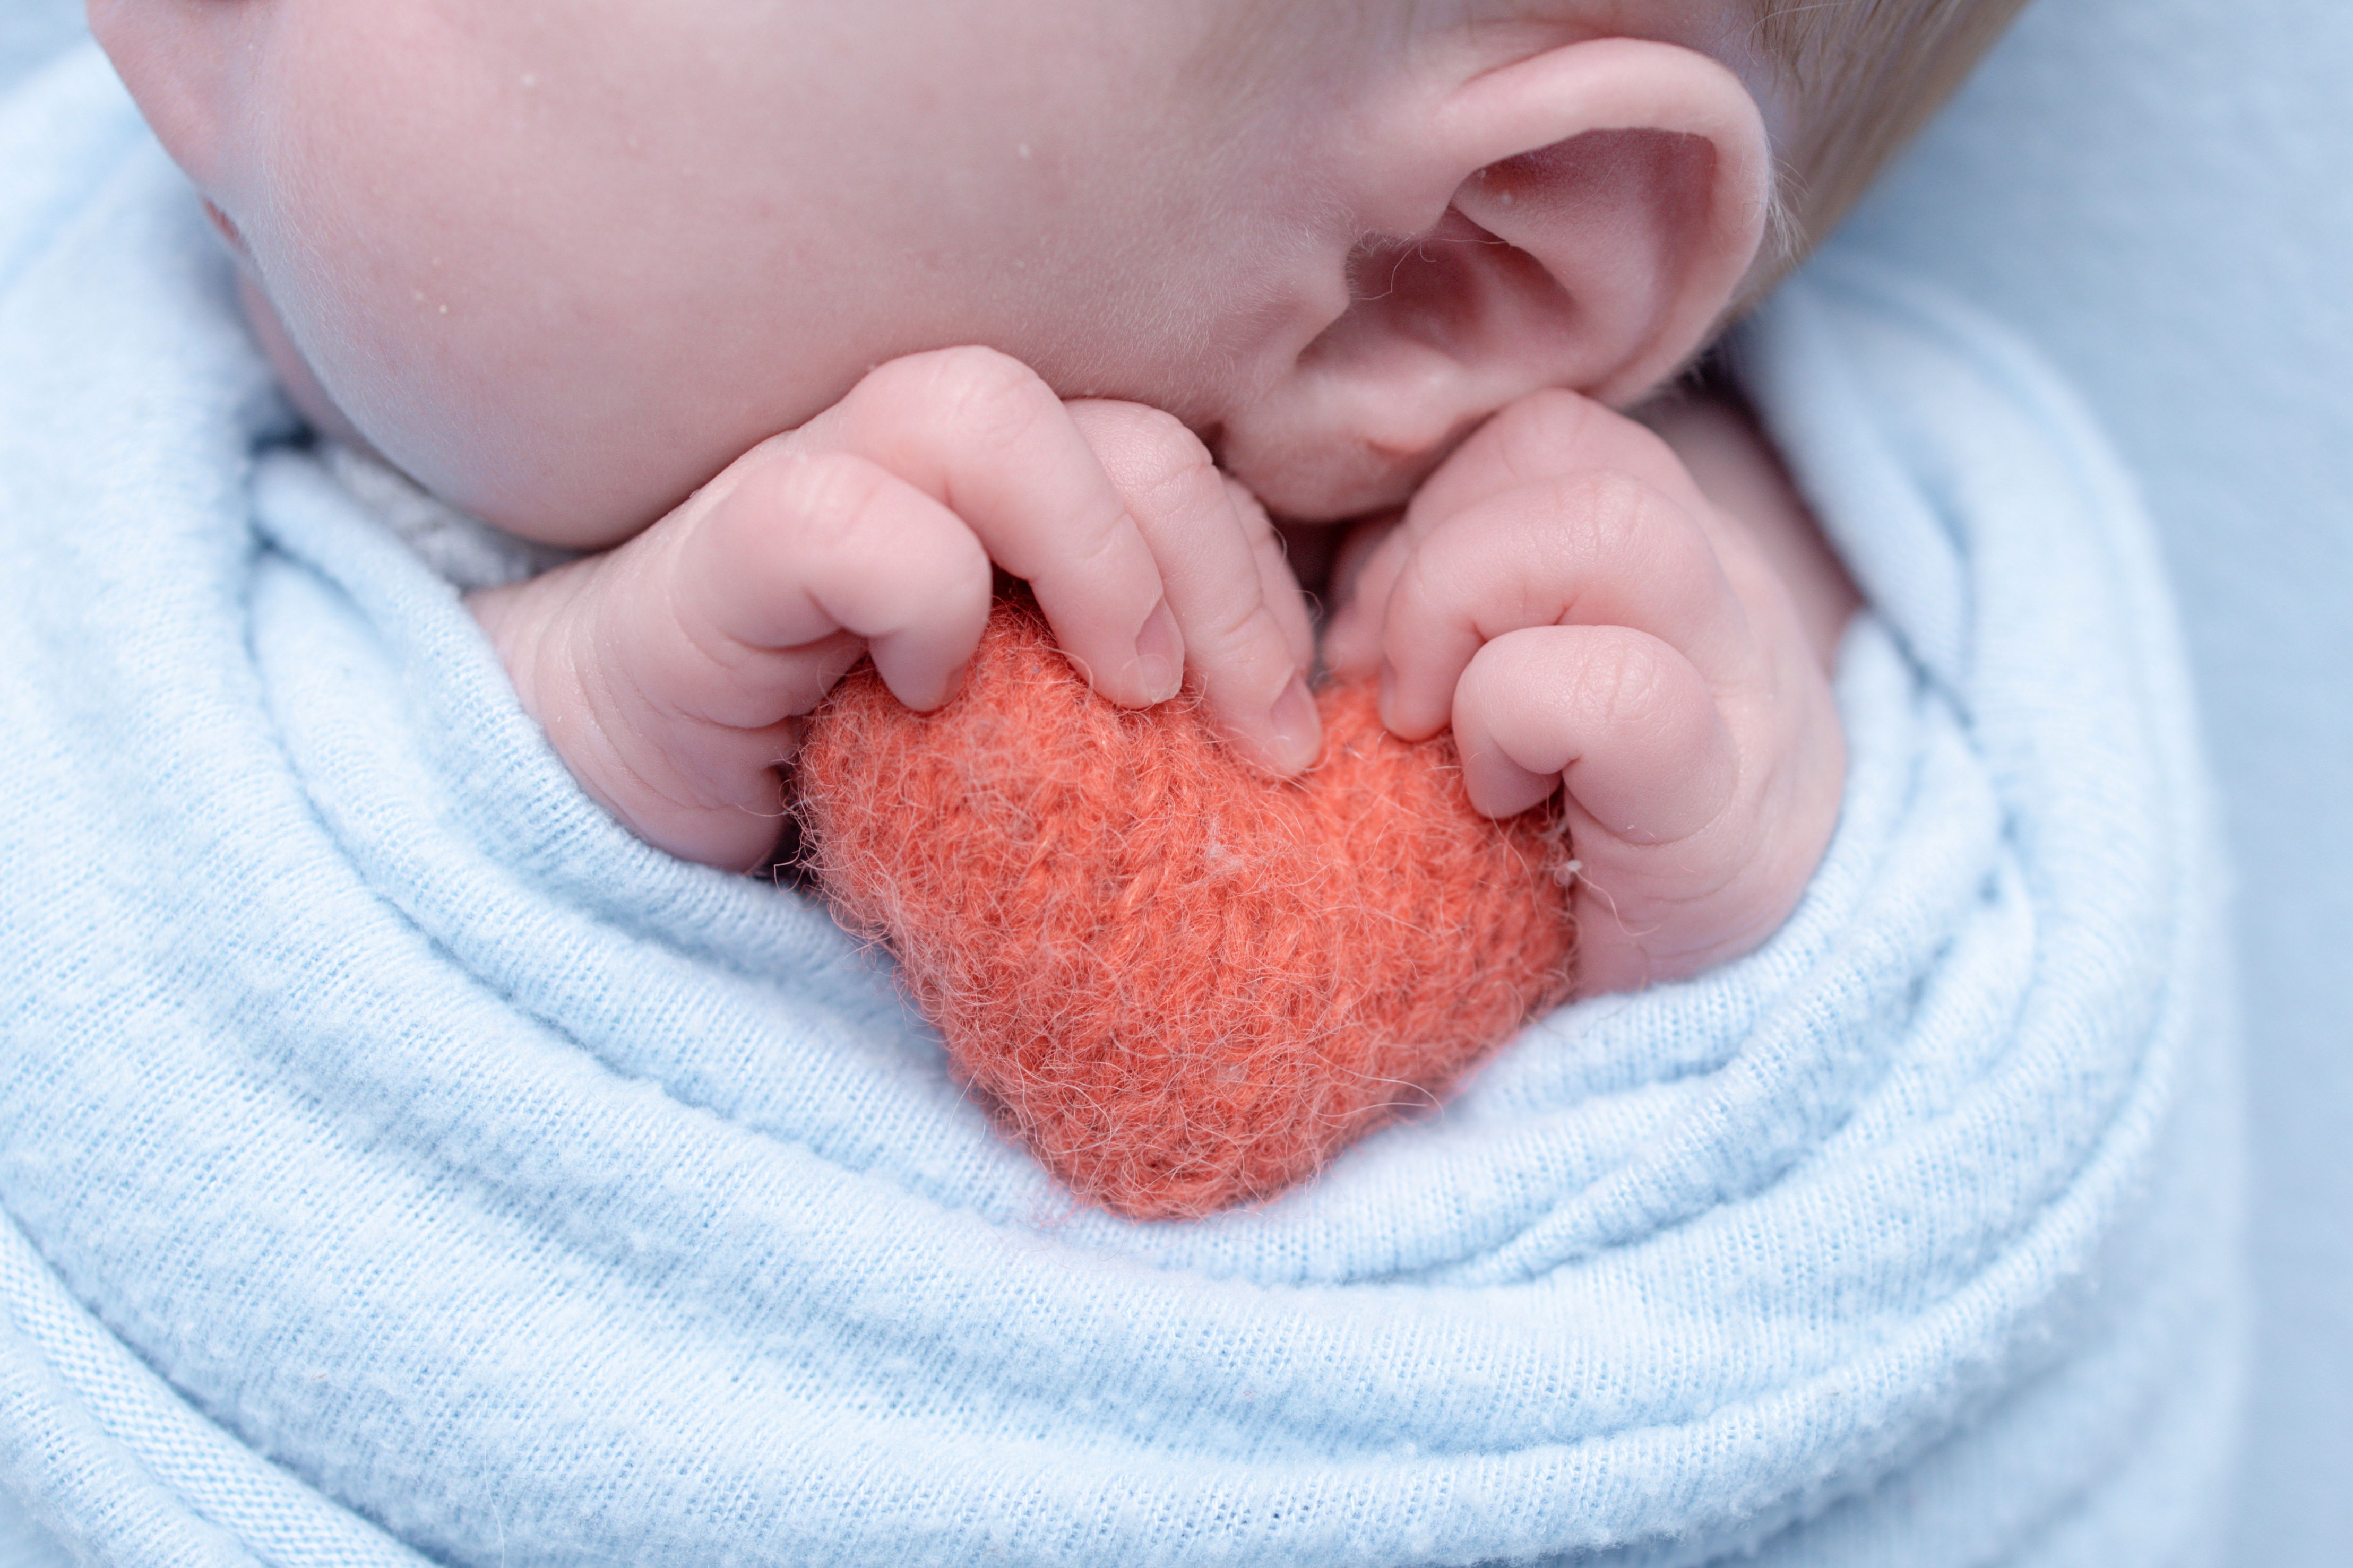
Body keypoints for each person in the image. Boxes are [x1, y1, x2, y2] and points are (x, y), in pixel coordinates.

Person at [84, 0, 2024, 997]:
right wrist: (543, 734)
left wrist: (1700, 975)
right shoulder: (114, 316)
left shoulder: (1810, 686)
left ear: (1437, 267)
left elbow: (1866, 1289)